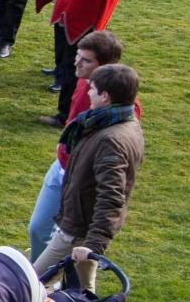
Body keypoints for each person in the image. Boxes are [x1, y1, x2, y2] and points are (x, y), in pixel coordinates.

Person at [32, 63, 143, 289]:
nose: (87, 92)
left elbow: (112, 196)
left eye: (91, 89)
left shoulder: (110, 139)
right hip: (82, 226)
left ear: (105, 96)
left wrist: (94, 244)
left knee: (32, 283)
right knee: (84, 290)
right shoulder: (122, 123)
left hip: (78, 230)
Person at [27, 30, 130, 252]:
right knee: (38, 229)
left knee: (67, 242)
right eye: (78, 56)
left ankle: (50, 282)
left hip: (82, 178)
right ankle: (41, 281)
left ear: (104, 66)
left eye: (86, 60)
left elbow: (117, 145)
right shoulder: (84, 82)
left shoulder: (120, 103)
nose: (77, 63)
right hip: (62, 165)